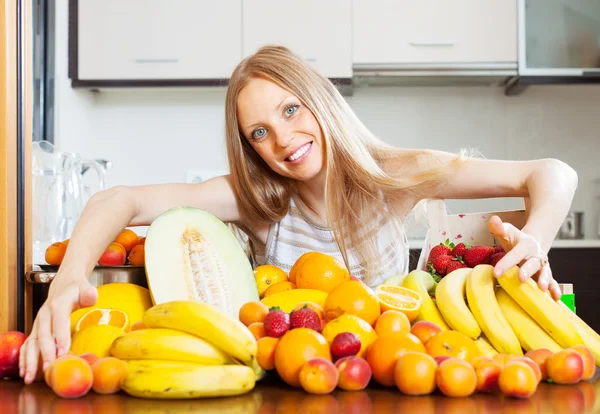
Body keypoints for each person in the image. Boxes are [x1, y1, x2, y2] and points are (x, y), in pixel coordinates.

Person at [20, 45, 578, 383]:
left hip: (390, 375)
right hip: (287, 380)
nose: (283, 140)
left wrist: (537, 238)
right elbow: (119, 200)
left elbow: (552, 172)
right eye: (259, 132)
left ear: (321, 101)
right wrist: (70, 280)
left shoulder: (397, 177)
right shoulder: (258, 203)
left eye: (291, 110)